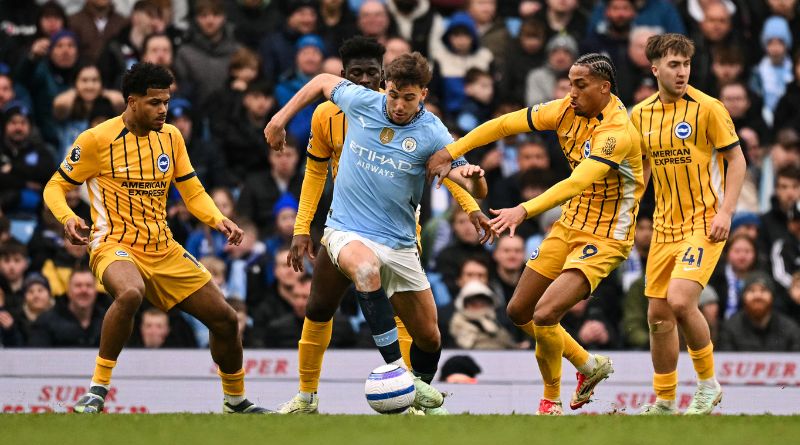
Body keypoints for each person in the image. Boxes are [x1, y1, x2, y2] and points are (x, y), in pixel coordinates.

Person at [268, 37, 490, 415]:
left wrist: (475, 187)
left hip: (401, 240)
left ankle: (415, 394)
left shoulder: (434, 132)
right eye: (392, 95)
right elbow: (320, 83)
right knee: (333, 296)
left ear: (423, 94)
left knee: (429, 336)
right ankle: (339, 389)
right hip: (345, 230)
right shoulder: (357, 104)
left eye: (408, 98)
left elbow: (457, 176)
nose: (398, 105)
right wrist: (278, 119)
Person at [42, 62, 269, 414]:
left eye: (166, 101)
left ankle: (236, 402)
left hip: (163, 248)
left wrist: (218, 218)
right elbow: (56, 185)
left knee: (224, 319)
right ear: (132, 102)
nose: (164, 110)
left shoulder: (172, 137)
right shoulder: (96, 140)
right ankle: (96, 392)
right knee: (131, 292)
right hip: (113, 243)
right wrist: (68, 217)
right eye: (155, 103)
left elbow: (191, 190)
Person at [427, 52, 643, 415]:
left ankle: (550, 400)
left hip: (607, 236)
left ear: (605, 88)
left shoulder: (617, 132)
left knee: (544, 314)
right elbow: (503, 126)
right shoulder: (564, 110)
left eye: (580, 85)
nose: (571, 92)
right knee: (518, 310)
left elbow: (577, 181)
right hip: (570, 224)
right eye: (569, 83)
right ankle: (589, 366)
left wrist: (522, 210)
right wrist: (452, 150)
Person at [631, 34, 746, 415]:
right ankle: (665, 401)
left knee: (681, 300)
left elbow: (737, 160)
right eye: (673, 65)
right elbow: (642, 168)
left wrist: (726, 213)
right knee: (658, 316)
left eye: (686, 65)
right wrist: (629, 212)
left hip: (704, 222)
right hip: (664, 227)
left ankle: (708, 384)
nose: (681, 73)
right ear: (655, 68)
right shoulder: (640, 115)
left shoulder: (708, 108)